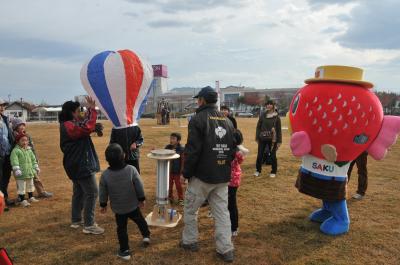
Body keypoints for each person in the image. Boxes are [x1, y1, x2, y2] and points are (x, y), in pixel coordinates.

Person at [181, 86, 235, 263]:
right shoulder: (227, 120)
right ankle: (225, 249)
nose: (197, 101)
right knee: (222, 213)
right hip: (222, 176)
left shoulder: (197, 120)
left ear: (202, 100)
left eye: (198, 99)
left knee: (190, 209)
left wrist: (186, 173)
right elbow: (232, 150)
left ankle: (190, 241)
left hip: (201, 176)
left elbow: (192, 151)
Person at [59, 97, 104, 235]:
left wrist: (92, 116)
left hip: (75, 164)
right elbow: (85, 127)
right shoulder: (68, 125)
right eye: (79, 111)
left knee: (79, 192)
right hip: (80, 164)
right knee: (92, 193)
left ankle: (76, 220)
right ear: (73, 113)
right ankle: (89, 224)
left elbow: (85, 126)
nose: (81, 113)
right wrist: (93, 111)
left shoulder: (70, 123)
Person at [99, 144, 150, 261]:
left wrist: (103, 204)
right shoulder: (131, 169)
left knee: (121, 229)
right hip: (132, 205)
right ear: (124, 155)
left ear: (107, 160)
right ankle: (146, 236)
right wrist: (141, 198)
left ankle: (125, 250)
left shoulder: (105, 175)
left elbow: (102, 190)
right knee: (140, 220)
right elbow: (139, 185)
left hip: (118, 208)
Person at [11, 118, 53, 198]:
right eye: (20, 125)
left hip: (30, 160)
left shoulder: (27, 135)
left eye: (23, 125)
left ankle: (41, 192)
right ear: (16, 127)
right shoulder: (13, 136)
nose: (22, 127)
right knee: (20, 179)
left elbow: (32, 148)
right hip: (20, 162)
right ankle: (21, 196)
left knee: (36, 177)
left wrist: (35, 159)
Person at [228, 130, 249, 237]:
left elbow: (241, 159)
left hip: (232, 181)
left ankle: (234, 227)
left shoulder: (237, 152)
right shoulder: (232, 150)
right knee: (226, 203)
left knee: (231, 204)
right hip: (226, 180)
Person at [10, 133, 40, 207]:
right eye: (22, 140)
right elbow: (14, 160)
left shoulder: (29, 150)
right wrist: (16, 169)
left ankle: (30, 197)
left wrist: (36, 166)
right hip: (21, 173)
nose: (25, 142)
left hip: (29, 171)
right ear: (18, 142)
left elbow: (33, 159)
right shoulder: (15, 151)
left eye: (26, 140)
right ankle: (22, 199)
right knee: (21, 186)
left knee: (30, 184)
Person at [254, 100, 282, 178]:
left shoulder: (277, 117)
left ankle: (273, 171)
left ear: (273, 105)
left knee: (273, 155)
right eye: (267, 104)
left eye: (270, 104)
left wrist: (279, 141)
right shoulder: (262, 115)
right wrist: (257, 137)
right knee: (260, 154)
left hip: (273, 139)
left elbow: (279, 130)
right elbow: (258, 127)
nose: (268, 105)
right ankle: (258, 170)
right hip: (262, 138)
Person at [0, 99, 14, 211]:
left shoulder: (4, 119)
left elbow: (9, 136)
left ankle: (4, 198)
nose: (1, 107)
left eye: (3, 105)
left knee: (6, 177)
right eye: (0, 105)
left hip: (7, 153)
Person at [165, 132, 185, 206]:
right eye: (170, 138)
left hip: (178, 172)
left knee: (178, 185)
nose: (171, 140)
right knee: (169, 185)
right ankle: (170, 197)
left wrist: (182, 172)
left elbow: (183, 161)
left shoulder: (182, 149)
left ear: (178, 140)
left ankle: (181, 199)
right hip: (169, 171)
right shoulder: (167, 147)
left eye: (173, 138)